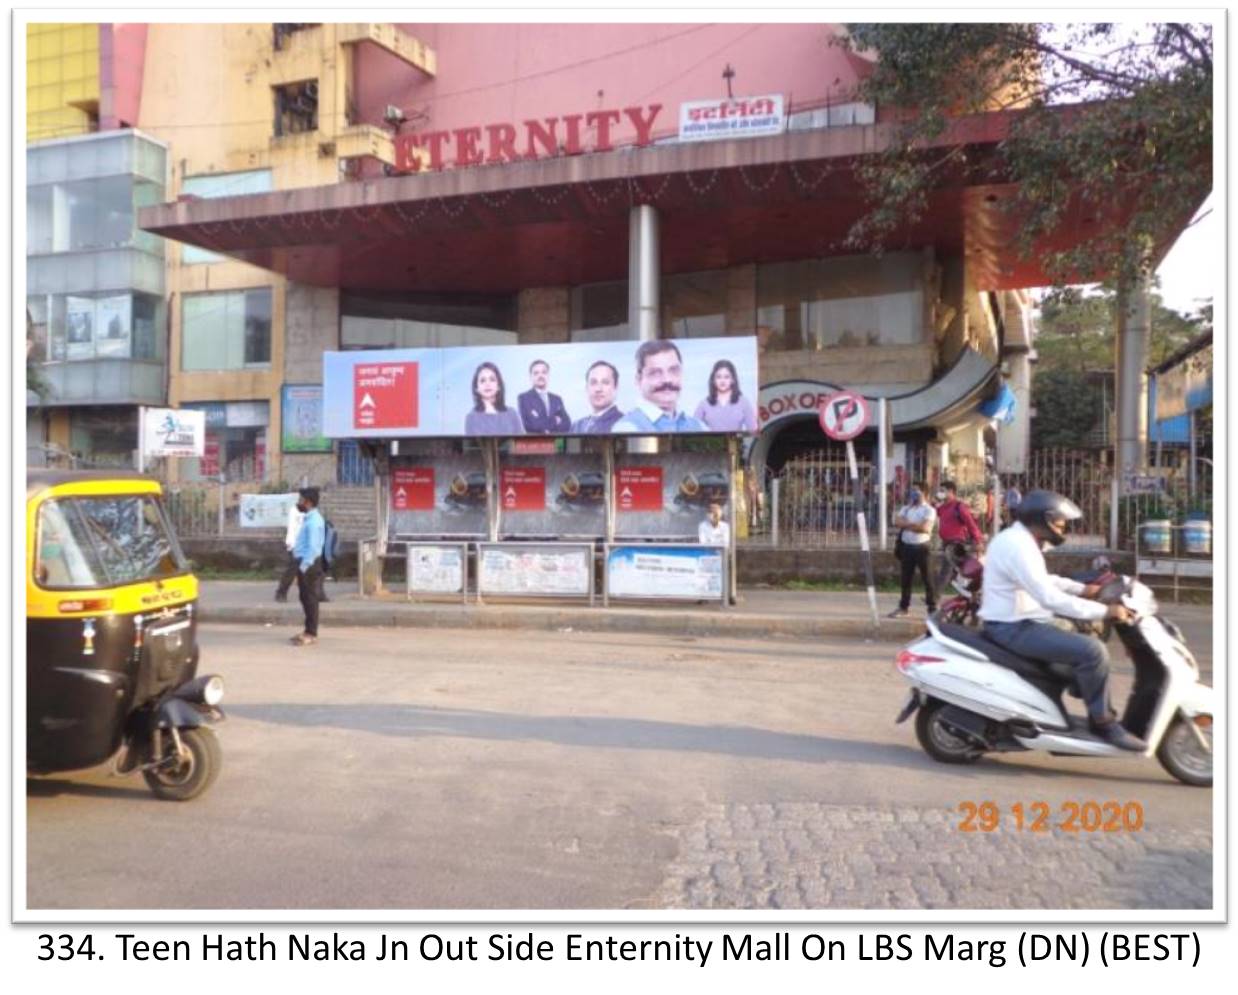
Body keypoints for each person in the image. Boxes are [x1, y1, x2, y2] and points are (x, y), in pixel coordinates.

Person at [978, 490, 1144, 750]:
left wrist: (1083, 589)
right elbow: (1049, 597)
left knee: (1083, 632)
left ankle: (1080, 687)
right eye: (1059, 522)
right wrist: (1105, 611)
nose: (1063, 527)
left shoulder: (1020, 540)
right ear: (1042, 520)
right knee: (1093, 651)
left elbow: (1043, 580)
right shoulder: (1018, 546)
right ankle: (1103, 723)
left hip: (1020, 619)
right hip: (1013, 626)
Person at [611, 340, 706, 433]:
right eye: (655, 373)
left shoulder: (700, 427)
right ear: (638, 380)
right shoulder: (627, 428)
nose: (667, 379)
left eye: (674, 370)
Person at [889, 483, 937, 617]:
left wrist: (906, 525)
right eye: (913, 490)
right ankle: (903, 607)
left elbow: (925, 528)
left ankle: (932, 608)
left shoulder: (929, 510)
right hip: (907, 547)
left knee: (928, 578)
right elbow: (897, 522)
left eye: (917, 490)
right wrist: (915, 525)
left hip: (922, 547)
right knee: (906, 579)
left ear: (924, 493)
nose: (913, 492)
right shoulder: (906, 508)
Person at [934, 480, 985, 592]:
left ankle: (934, 596)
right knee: (956, 570)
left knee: (946, 569)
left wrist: (978, 541)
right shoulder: (943, 507)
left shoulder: (959, 507)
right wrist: (935, 502)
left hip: (956, 543)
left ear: (951, 491)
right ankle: (969, 591)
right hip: (946, 542)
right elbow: (934, 511)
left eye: (943, 491)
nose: (940, 493)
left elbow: (970, 523)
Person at [290, 487, 325, 647]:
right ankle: (307, 630)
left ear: (308, 502)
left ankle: (311, 633)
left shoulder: (314, 522)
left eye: (301, 500)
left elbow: (313, 548)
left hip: (309, 564)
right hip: (305, 562)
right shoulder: (309, 519)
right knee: (305, 597)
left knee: (310, 598)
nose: (299, 502)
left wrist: (303, 568)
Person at [693, 359, 757, 432]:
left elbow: (753, 430)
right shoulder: (704, 404)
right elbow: (693, 429)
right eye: (718, 377)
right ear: (713, 380)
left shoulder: (743, 402)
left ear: (733, 379)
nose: (722, 381)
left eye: (726, 377)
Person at [464, 362, 525, 436]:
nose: (487, 384)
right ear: (476, 388)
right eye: (482, 380)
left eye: (492, 379)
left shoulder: (512, 413)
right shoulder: (471, 418)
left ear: (498, 386)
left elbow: (521, 441)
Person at [517, 359, 571, 434]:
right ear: (530, 376)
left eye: (544, 372)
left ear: (548, 375)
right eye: (536, 373)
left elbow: (567, 424)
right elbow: (529, 425)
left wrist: (542, 423)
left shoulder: (557, 399)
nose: (540, 376)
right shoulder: (524, 398)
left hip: (557, 440)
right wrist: (555, 421)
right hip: (536, 441)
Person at [569, 360, 624, 433]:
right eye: (593, 382)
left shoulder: (624, 424)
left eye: (605, 382)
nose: (598, 389)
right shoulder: (577, 426)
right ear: (586, 388)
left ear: (616, 387)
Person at [274, 497, 305, 602]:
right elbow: (292, 528)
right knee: (292, 570)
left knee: (314, 570)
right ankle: (281, 592)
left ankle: (317, 593)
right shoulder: (295, 511)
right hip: (296, 545)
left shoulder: (310, 512)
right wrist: (291, 544)